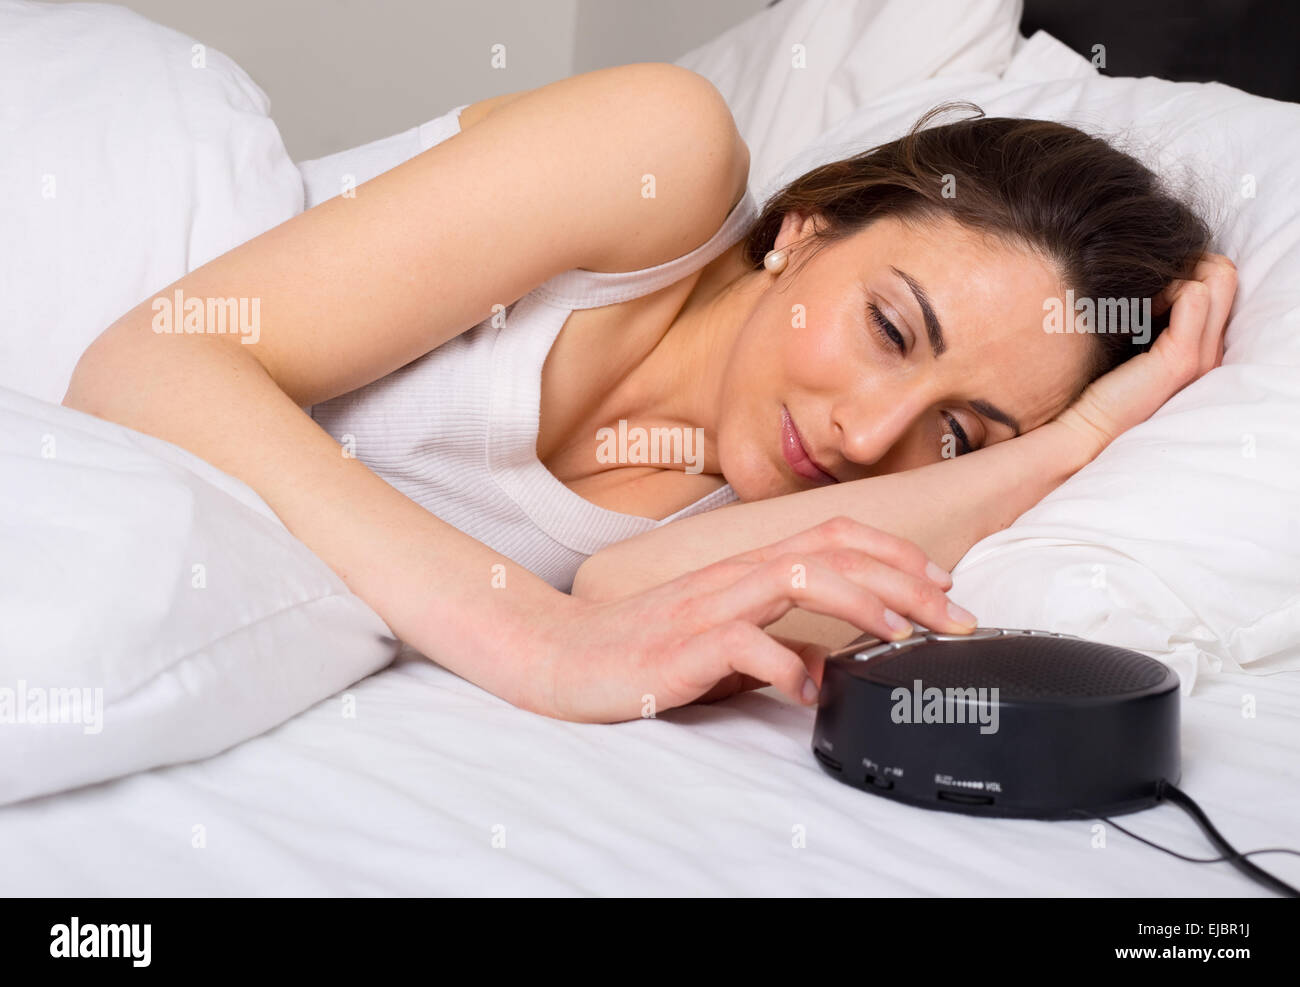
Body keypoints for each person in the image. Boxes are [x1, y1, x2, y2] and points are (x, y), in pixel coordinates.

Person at [63, 63, 1235, 724]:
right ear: (804, 230)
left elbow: (628, 596)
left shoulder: (774, 510)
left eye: (954, 431)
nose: (868, 434)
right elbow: (155, 358)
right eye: (888, 328)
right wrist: (534, 638)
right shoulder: (658, 161)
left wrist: (1068, 441)